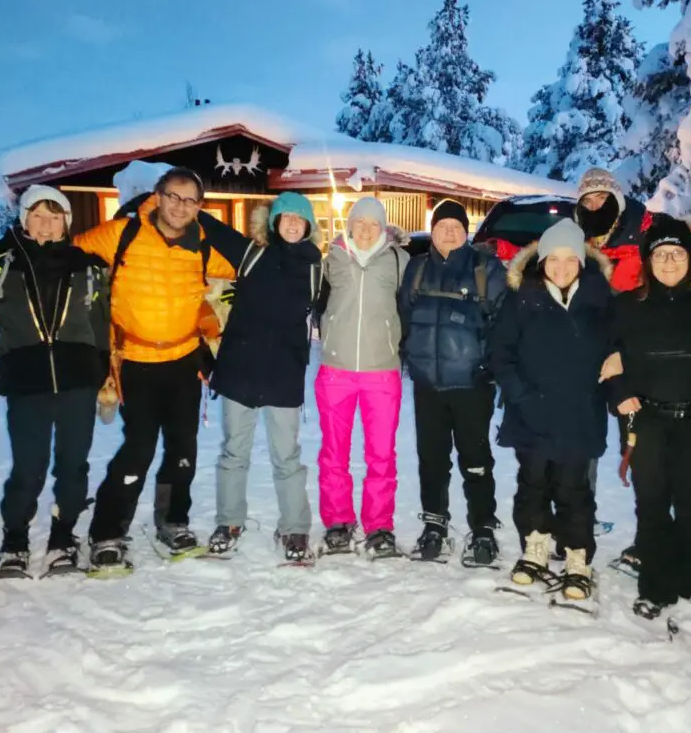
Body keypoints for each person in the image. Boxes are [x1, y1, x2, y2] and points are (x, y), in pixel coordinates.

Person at [75, 167, 235, 573]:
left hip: (184, 362)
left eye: (190, 200)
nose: (180, 207)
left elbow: (246, 267)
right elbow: (66, 249)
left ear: (200, 206)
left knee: (184, 448)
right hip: (135, 363)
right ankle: (108, 532)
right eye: (173, 196)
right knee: (138, 448)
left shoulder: (202, 246)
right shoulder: (122, 235)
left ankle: (173, 521)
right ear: (158, 196)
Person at [0, 185, 109, 578]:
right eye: (37, 216)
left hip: (78, 381)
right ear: (24, 220)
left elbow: (101, 329)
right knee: (29, 467)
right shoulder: (2, 267)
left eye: (54, 216)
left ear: (66, 221)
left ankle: (63, 537)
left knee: (73, 465)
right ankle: (14, 540)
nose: (46, 225)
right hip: (27, 383)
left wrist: (106, 375)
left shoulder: (88, 267)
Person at [605, 214, 691, 619]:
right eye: (661, 254)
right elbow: (604, 358)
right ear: (648, 260)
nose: (670, 262)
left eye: (678, 253)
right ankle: (655, 587)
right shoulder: (627, 306)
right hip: (650, 421)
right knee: (652, 507)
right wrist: (620, 395)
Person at [195, 192, 322, 563]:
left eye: (300, 220)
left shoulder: (316, 267)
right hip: (240, 369)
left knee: (287, 456)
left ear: (309, 226)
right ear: (274, 222)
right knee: (234, 452)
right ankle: (229, 522)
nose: (293, 224)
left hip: (284, 374)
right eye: (286, 218)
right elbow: (213, 229)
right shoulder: (252, 253)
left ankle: (295, 528)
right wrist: (184, 206)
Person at [489, 218, 612, 601]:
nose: (561, 267)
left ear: (581, 262)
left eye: (569, 259)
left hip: (580, 415)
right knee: (533, 485)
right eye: (553, 259)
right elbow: (500, 354)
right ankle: (535, 549)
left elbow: (619, 345)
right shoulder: (522, 298)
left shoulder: (600, 298)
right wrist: (522, 396)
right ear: (541, 261)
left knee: (575, 490)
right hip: (532, 415)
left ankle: (577, 558)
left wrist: (618, 362)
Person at [398, 199, 508, 566]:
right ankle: (435, 525)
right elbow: (405, 316)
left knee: (475, 460)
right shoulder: (416, 269)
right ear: (432, 231)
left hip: (471, 386)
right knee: (432, 459)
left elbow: (503, 324)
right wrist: (412, 357)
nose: (449, 231)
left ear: (466, 232)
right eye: (442, 225)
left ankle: (482, 530)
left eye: (456, 226)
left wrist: (490, 369)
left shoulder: (485, 269)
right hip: (428, 384)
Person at [314, 197, 409, 558]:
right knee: (333, 453)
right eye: (360, 222)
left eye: (374, 223)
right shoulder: (332, 258)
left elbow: (410, 308)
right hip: (335, 370)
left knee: (381, 455)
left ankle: (379, 526)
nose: (366, 229)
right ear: (349, 224)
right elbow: (316, 302)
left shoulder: (400, 261)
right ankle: (338, 522)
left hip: (381, 371)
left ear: (383, 227)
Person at [573, 167, 652, 564]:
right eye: (586, 201)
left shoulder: (646, 237)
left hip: (632, 363)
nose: (593, 206)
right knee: (581, 442)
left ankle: (650, 539)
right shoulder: (580, 243)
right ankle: (578, 522)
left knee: (640, 450)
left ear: (616, 200)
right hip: (590, 361)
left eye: (601, 198)